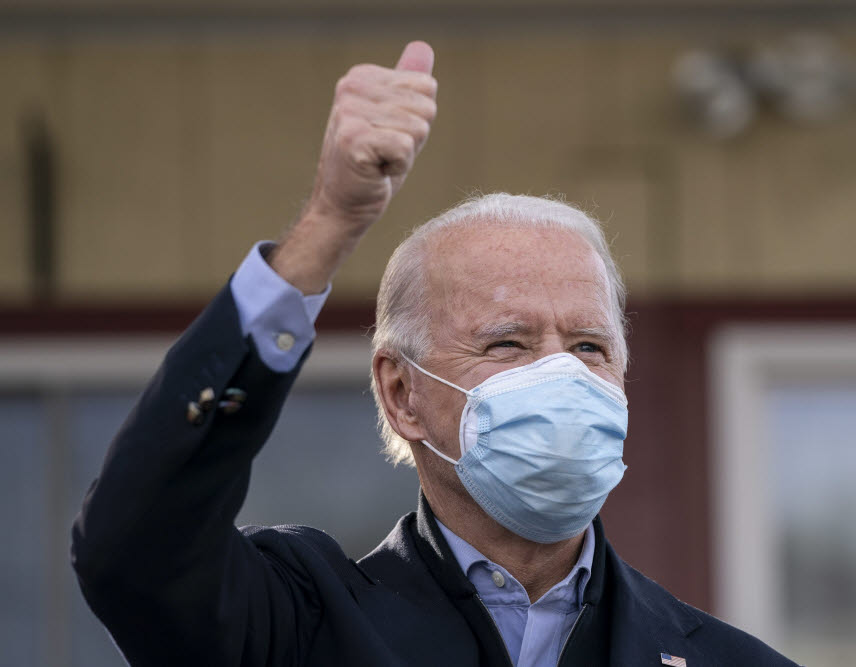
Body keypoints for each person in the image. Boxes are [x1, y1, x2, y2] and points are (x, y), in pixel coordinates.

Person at [72, 41, 798, 667]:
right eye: (507, 342)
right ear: (400, 392)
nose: (562, 375)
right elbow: (132, 549)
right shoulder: (300, 625)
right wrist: (329, 224)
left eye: (589, 346)